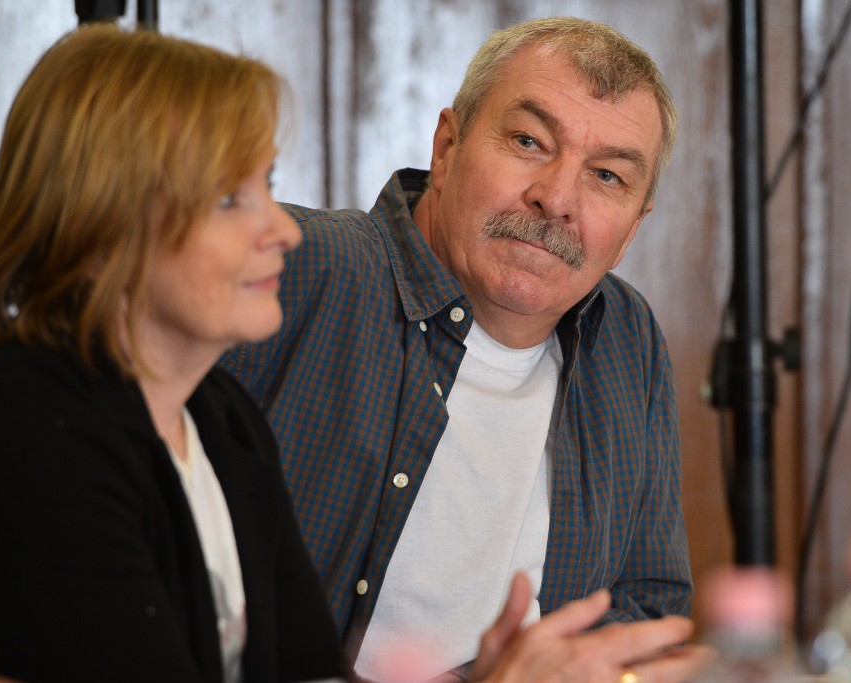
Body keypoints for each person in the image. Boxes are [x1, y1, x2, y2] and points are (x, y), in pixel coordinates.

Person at [220, 16, 702, 682]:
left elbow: (646, 609)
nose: (556, 198)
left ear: (632, 231)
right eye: (529, 141)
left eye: (608, 176)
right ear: (447, 147)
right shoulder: (287, 269)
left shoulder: (626, 335)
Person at [0, 25, 350, 683]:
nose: (285, 229)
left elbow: (310, 670)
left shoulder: (221, 416)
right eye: (229, 198)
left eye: (267, 183)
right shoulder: (19, 437)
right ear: (103, 226)